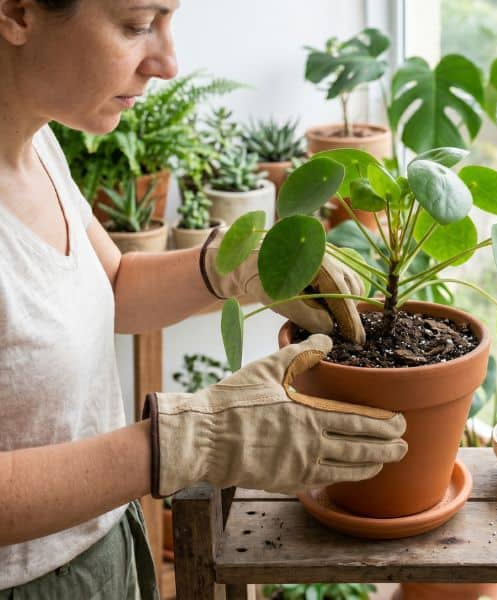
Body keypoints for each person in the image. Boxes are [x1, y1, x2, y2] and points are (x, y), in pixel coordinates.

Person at [0, 1, 408, 597]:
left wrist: (226, 266)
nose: (168, 62)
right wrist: (198, 439)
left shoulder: (35, 146)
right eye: (138, 25)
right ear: (16, 12)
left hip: (104, 544)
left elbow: (107, 286)